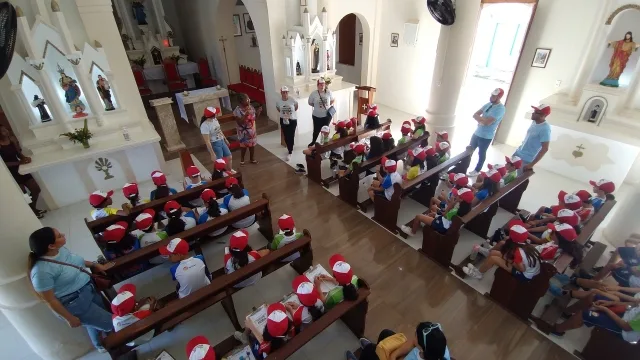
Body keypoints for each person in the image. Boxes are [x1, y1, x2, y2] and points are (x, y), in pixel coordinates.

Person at [28, 227, 114, 352]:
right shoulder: (41, 272)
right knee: (112, 322)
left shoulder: (60, 250)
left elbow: (76, 261)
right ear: (51, 246)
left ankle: (100, 345)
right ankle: (114, 345)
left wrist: (95, 264)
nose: (63, 234)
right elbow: (50, 300)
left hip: (88, 289)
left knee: (95, 322)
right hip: (74, 302)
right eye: (59, 236)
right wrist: (69, 318)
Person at [533, 291, 640, 343]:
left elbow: (626, 327)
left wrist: (606, 310)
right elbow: (634, 304)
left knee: (586, 314)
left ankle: (557, 330)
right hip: (626, 314)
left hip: (624, 331)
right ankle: (567, 313)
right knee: (594, 296)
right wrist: (609, 303)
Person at [463, 222, 541, 280]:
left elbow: (522, 269)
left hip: (525, 275)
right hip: (531, 269)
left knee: (494, 259)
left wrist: (509, 261)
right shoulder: (526, 243)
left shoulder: (518, 252)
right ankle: (482, 268)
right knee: (493, 253)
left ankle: (479, 274)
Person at [0, 125, 46, 217]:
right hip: (10, 172)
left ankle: (33, 209)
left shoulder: (11, 140)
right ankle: (33, 213)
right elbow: (3, 164)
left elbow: (18, 154)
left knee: (36, 188)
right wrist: (20, 162)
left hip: (20, 169)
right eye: (3, 131)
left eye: (6, 129)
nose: (6, 131)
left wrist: (25, 158)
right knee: (24, 195)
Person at [346, 322, 450, 360]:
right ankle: (376, 350)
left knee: (369, 351)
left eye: (415, 334)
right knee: (386, 333)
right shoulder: (439, 345)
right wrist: (394, 354)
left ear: (421, 349)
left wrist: (392, 355)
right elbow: (412, 342)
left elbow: (412, 342)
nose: (414, 333)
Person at [402, 187, 473, 236]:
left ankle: (412, 232)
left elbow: (445, 215)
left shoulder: (456, 211)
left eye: (458, 196)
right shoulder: (465, 208)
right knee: (433, 211)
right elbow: (447, 217)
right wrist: (436, 214)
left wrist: (450, 205)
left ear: (461, 199)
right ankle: (425, 222)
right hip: (447, 223)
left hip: (443, 226)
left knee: (418, 216)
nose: (456, 196)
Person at [467, 88, 506, 177]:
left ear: (499, 97)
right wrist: (482, 120)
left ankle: (477, 170)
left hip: (486, 136)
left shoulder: (500, 109)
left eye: (493, 96)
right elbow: (475, 114)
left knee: (481, 153)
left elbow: (487, 123)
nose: (491, 97)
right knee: (469, 150)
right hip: (477, 132)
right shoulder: (488, 104)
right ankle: (465, 165)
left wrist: (481, 120)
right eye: (491, 95)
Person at [513, 104, 552, 172]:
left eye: (536, 112)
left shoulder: (545, 129)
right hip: (518, 153)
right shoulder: (534, 122)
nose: (533, 113)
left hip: (526, 159)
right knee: (507, 174)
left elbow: (545, 148)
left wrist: (531, 164)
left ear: (543, 115)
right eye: (534, 111)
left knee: (514, 179)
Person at [233, 93, 263, 165]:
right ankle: (242, 160)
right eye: (247, 99)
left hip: (252, 131)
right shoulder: (237, 111)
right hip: (243, 132)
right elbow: (240, 122)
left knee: (252, 145)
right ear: (241, 102)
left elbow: (254, 118)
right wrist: (245, 115)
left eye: (248, 98)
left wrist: (258, 112)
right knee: (244, 146)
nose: (249, 100)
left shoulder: (251, 107)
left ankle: (252, 159)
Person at [308, 78, 335, 146]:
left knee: (325, 130)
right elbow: (310, 102)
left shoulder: (329, 92)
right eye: (320, 84)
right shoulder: (313, 94)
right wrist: (317, 107)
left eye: (323, 84)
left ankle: (325, 143)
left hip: (327, 116)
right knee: (316, 130)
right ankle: (313, 142)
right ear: (317, 85)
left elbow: (332, 100)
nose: (322, 86)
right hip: (316, 115)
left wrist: (327, 106)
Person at [276, 86, 299, 161]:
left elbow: (296, 107)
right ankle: (290, 145)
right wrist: (284, 115)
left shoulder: (292, 99)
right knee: (286, 136)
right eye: (283, 92)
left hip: (292, 120)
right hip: (283, 120)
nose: (285, 94)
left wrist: (290, 115)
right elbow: (278, 108)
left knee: (291, 135)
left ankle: (290, 151)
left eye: (286, 92)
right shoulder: (278, 101)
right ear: (281, 93)